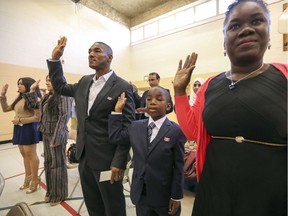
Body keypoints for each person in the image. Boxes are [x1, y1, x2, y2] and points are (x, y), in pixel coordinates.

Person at [173, 0, 287, 215]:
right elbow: (191, 131)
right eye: (235, 26)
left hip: (271, 196)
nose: (246, 29)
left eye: (257, 21)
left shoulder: (284, 77)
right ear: (224, 43)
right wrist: (180, 92)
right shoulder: (210, 85)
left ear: (270, 35)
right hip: (215, 192)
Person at [47, 36, 135, 216]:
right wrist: (55, 60)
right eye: (89, 52)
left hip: (107, 160)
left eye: (96, 51)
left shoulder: (122, 86)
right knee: (92, 203)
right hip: (84, 156)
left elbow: (127, 128)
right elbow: (61, 87)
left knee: (113, 206)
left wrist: (119, 161)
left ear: (109, 58)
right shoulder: (84, 81)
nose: (91, 54)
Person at [109, 86, 186, 216]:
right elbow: (116, 137)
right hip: (141, 195)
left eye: (159, 99)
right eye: (149, 99)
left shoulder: (175, 131)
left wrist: (176, 196)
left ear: (168, 106)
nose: (152, 102)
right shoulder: (135, 126)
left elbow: (179, 167)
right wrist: (117, 112)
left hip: (164, 196)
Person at [23, 76, 72, 206]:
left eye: (50, 80)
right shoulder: (48, 96)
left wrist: (56, 138)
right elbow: (33, 105)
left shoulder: (63, 96)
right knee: (49, 163)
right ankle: (51, 192)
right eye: (46, 80)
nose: (47, 83)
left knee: (58, 166)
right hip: (46, 133)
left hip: (57, 135)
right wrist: (32, 91)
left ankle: (59, 194)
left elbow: (64, 117)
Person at [0, 77, 41, 194]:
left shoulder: (33, 98)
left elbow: (37, 118)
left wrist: (21, 120)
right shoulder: (19, 98)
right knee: (24, 155)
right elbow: (5, 108)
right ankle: (27, 178)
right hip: (19, 128)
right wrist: (2, 96)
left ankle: (35, 180)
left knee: (31, 155)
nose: (19, 86)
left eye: (21, 84)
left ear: (28, 85)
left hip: (29, 128)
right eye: (18, 84)